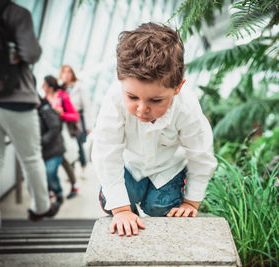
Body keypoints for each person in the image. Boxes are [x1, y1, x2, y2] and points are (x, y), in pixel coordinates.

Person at [92, 22, 217, 237]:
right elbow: (106, 152)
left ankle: (159, 201)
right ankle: (115, 201)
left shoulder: (187, 106)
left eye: (156, 100)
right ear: (120, 78)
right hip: (130, 166)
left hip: (168, 168)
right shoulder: (113, 99)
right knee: (122, 200)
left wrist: (191, 202)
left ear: (178, 87)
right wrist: (121, 210)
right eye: (132, 97)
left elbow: (201, 154)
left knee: (159, 209)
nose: (142, 109)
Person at [0, 0, 59, 237]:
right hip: (15, 99)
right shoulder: (16, 13)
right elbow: (31, 53)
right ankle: (41, 208)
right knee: (30, 157)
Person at [59, 65, 94, 197]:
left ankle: (84, 167)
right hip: (65, 121)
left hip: (78, 120)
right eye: (63, 72)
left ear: (72, 73)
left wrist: (89, 125)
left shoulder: (80, 86)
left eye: (68, 72)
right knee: (69, 146)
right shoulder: (60, 87)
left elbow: (87, 106)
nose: (66, 74)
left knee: (79, 145)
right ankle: (72, 171)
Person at [39, 76, 67, 204]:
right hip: (48, 147)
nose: (42, 88)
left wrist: (42, 140)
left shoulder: (46, 106)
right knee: (47, 173)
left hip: (54, 146)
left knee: (50, 172)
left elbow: (56, 126)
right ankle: (52, 192)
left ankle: (58, 192)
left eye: (44, 85)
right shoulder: (43, 103)